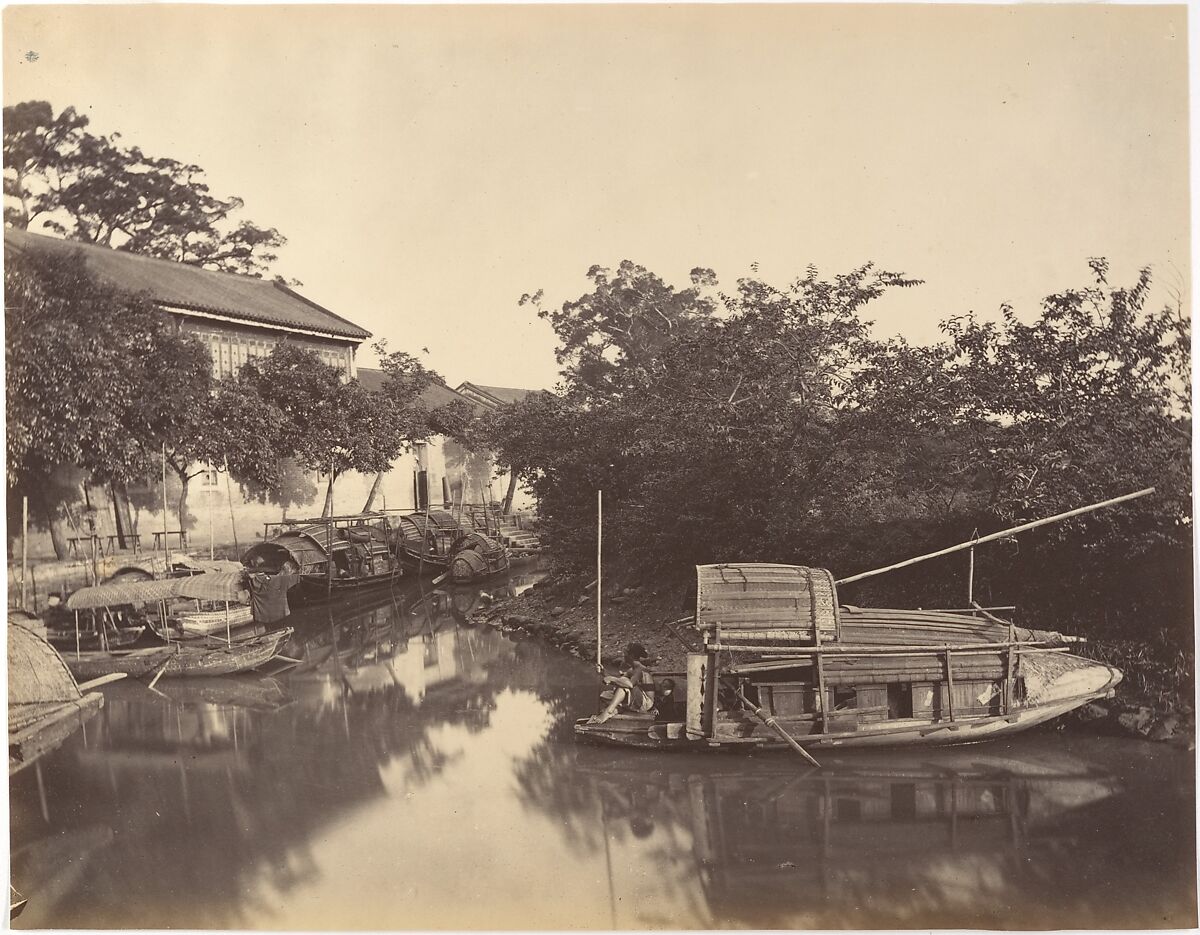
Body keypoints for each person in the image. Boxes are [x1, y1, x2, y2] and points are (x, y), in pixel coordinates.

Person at [588, 643, 656, 724]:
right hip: (637, 699)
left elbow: (629, 684)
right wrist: (605, 673)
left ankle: (609, 711)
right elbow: (619, 679)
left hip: (646, 703)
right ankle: (616, 710)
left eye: (626, 654)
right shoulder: (631, 669)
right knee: (605, 695)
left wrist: (612, 679)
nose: (624, 656)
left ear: (632, 655)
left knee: (624, 683)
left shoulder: (640, 669)